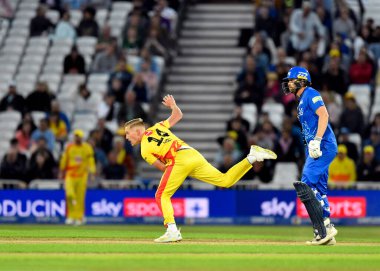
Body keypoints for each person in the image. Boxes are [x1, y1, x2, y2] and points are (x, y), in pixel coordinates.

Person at [124, 95, 277, 243]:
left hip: (179, 160)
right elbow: (178, 115)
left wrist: (180, 173)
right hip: (192, 153)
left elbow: (164, 167)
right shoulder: (158, 127)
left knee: (161, 195)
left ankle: (172, 230)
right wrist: (173, 105)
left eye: (127, 133)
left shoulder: (144, 149)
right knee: (225, 180)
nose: (126, 137)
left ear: (138, 132)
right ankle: (252, 157)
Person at [282, 66, 338, 245]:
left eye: (291, 80)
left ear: (301, 80)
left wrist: (317, 140)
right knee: (319, 189)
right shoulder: (301, 100)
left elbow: (324, 114)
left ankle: (322, 231)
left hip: (322, 145)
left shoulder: (310, 93)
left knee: (306, 184)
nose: (288, 83)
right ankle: (327, 228)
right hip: (315, 147)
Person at [59, 129, 96, 226]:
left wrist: (92, 173)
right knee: (70, 194)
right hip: (70, 175)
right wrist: (61, 170)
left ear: (82, 137)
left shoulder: (87, 148)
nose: (77, 138)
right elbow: (64, 159)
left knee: (80, 198)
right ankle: (71, 216)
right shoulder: (69, 147)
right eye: (76, 136)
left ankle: (79, 217)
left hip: (82, 176)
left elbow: (90, 161)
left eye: (79, 136)